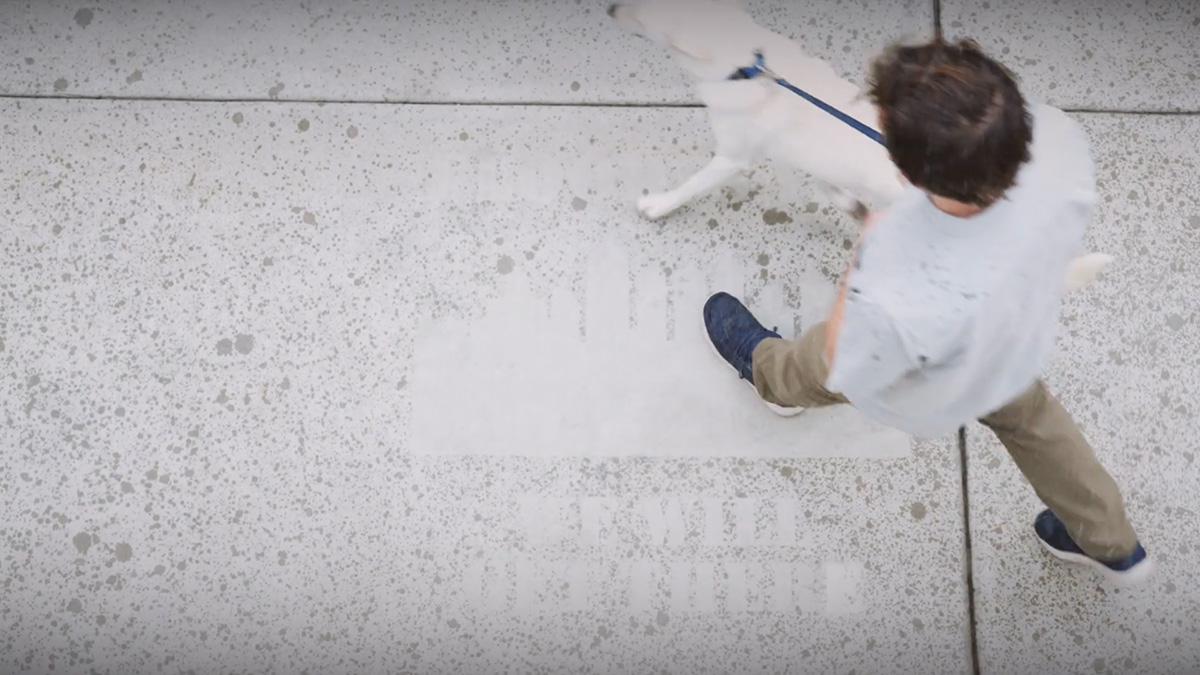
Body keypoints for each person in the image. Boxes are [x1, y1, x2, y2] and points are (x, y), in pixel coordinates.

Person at [702, 38, 1153, 584]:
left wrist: (866, 261)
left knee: (820, 361)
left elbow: (854, 345)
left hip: (925, 351)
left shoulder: (900, 255)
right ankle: (1110, 543)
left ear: (908, 173)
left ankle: (768, 375)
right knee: (1034, 421)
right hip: (1004, 333)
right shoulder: (1053, 154)